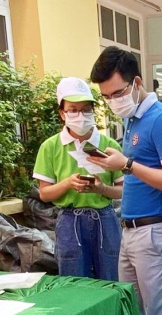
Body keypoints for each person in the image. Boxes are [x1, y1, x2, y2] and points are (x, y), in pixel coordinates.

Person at [90, 46, 162, 315]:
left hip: (154, 232)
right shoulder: (134, 119)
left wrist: (127, 164)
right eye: (106, 97)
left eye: (118, 93)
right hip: (131, 230)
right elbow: (138, 179)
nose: (112, 102)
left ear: (138, 82)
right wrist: (105, 187)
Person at [29, 77, 124, 280]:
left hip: (105, 218)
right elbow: (45, 194)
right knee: (74, 281)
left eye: (86, 109)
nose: (80, 115)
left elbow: (124, 190)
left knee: (111, 279)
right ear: (62, 114)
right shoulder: (51, 147)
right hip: (69, 220)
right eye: (73, 109)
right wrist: (67, 183)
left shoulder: (108, 145)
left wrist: (102, 189)